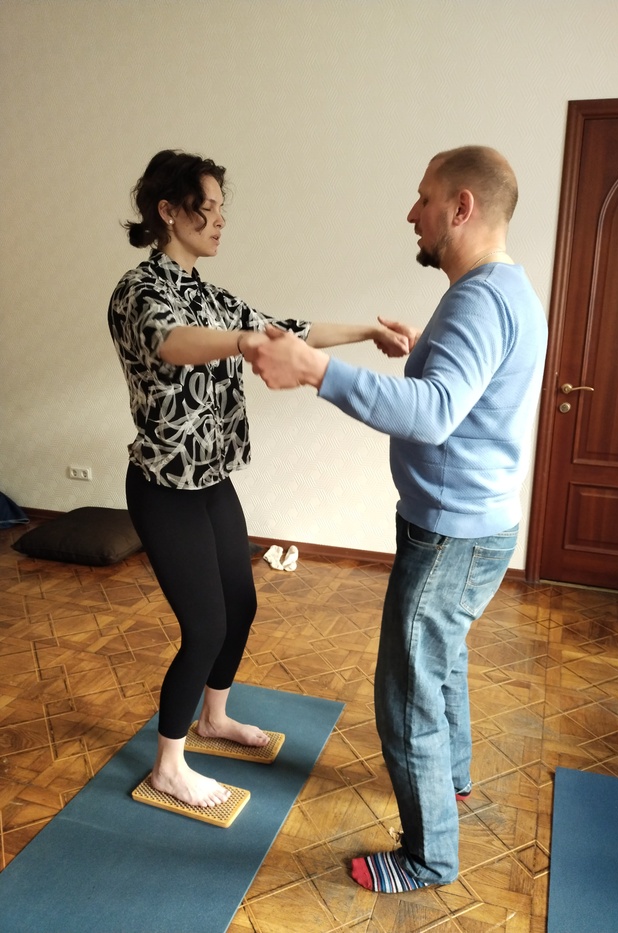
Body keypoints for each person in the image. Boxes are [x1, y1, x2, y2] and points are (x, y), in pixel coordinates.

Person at [244, 146, 548, 891]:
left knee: (406, 693)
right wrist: (421, 355)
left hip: (450, 533)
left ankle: (428, 855)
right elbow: (461, 393)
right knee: (442, 663)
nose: (412, 213)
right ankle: (455, 780)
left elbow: (437, 413)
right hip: (473, 525)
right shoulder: (503, 289)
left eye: (424, 197)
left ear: (462, 206)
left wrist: (316, 368)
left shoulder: (479, 299)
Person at [108, 149, 408, 809]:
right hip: (164, 486)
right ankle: (168, 765)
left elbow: (285, 331)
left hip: (211, 480)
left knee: (240, 605)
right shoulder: (139, 290)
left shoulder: (211, 295)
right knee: (205, 625)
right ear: (168, 211)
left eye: (222, 209)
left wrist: (367, 330)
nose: (220, 221)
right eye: (208, 208)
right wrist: (242, 343)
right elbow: (172, 341)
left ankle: (213, 718)